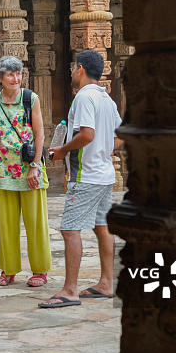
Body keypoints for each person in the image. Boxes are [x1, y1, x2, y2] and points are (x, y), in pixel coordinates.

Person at [40, 50, 122, 308]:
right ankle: (107, 283)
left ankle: (70, 289)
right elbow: (121, 133)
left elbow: (86, 134)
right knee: (101, 226)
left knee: (69, 228)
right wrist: (105, 148)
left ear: (81, 69)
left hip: (85, 175)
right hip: (104, 173)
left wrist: (62, 151)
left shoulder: (84, 97)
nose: (71, 71)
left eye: (73, 66)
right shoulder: (105, 98)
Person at [0, 55, 51, 287]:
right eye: (10, 74)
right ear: (0, 77)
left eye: (18, 74)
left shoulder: (30, 98)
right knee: (6, 224)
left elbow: (39, 134)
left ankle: (40, 270)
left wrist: (35, 166)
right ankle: (9, 270)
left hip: (29, 167)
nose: (16, 78)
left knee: (36, 222)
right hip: (3, 169)